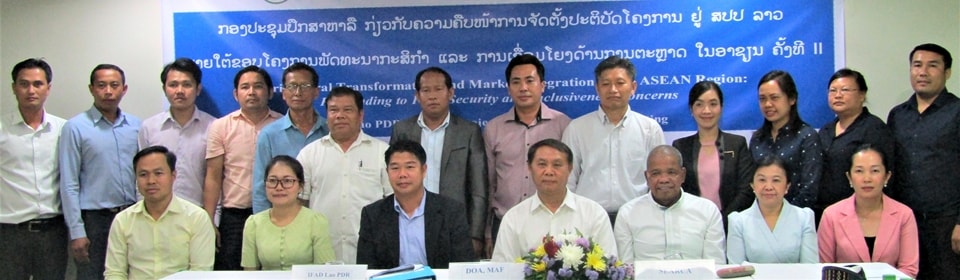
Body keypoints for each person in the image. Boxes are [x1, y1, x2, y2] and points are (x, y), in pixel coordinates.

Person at [389, 67, 487, 257]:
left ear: (450, 92)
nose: (432, 96)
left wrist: (475, 235)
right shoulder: (402, 130)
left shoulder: (469, 131)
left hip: (454, 224)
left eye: (438, 89)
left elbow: (478, 189)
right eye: (426, 90)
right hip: (409, 222)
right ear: (417, 95)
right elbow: (392, 179)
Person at [60, 64, 141, 280]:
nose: (108, 91)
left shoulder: (136, 126)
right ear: (91, 89)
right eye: (102, 85)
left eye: (114, 85)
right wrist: (77, 231)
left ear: (124, 89)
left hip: (131, 215)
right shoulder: (75, 127)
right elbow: (69, 183)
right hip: (95, 221)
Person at [562, 55, 665, 225]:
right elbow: (568, 180)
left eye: (620, 83)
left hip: (638, 218)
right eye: (606, 84)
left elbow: (658, 178)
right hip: (589, 219)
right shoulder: (577, 128)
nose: (613, 90)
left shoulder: (649, 129)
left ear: (633, 87)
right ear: (597, 88)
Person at [886, 43, 960, 279]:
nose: (923, 72)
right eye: (917, 65)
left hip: (947, 223)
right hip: (906, 221)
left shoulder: (957, 111)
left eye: (932, 66)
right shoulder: (898, 115)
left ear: (947, 72)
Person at [297, 86, 392, 264]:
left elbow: (392, 203)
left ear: (361, 115)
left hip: (371, 251)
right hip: (322, 253)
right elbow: (300, 203)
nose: (340, 115)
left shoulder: (383, 152)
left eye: (347, 110)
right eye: (333, 110)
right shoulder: (309, 154)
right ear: (327, 116)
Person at [485, 54, 571, 249]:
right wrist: (487, 232)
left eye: (529, 81)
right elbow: (488, 183)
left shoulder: (563, 125)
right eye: (516, 82)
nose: (523, 88)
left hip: (551, 222)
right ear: (509, 88)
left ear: (542, 86)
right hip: (504, 222)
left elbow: (570, 178)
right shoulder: (494, 128)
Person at [203, 66, 282, 270]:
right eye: (245, 87)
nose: (251, 92)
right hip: (235, 217)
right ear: (235, 94)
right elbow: (213, 176)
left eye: (258, 86)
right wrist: (209, 220)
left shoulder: (282, 125)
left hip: (276, 212)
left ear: (270, 92)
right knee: (232, 270)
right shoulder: (221, 126)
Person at [357, 140, 477, 269]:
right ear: (387, 172)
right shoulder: (372, 215)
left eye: (410, 167)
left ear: (424, 170)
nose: (402, 174)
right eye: (395, 168)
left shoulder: (451, 212)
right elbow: (367, 269)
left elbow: (463, 267)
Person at [491, 139, 616, 262]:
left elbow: (609, 266)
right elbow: (503, 271)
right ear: (529, 167)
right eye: (542, 164)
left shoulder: (594, 213)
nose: (549, 172)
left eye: (557, 165)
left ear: (570, 168)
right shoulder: (514, 218)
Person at [0, 58, 69, 280]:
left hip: (53, 232)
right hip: (9, 233)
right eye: (24, 84)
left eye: (38, 84)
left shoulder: (64, 129)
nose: (31, 90)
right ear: (14, 88)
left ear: (48, 88)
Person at [103, 146, 215, 279]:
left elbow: (200, 273)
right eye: (143, 175)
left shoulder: (196, 218)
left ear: (173, 176)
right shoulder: (123, 220)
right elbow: (115, 273)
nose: (151, 181)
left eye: (158, 173)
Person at [818, 144, 919, 278]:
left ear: (887, 176)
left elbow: (908, 269)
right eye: (859, 171)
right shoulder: (831, 215)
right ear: (849, 177)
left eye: (875, 171)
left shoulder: (904, 215)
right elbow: (825, 268)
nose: (867, 179)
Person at [614, 145, 725, 264]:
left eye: (671, 172)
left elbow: (716, 267)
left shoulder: (707, 211)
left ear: (683, 175)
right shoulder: (627, 214)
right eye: (656, 173)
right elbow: (624, 270)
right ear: (647, 177)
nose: (664, 179)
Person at [816, 68, 895, 224]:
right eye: (833, 91)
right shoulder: (826, 130)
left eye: (845, 90)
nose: (838, 95)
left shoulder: (874, 128)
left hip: (861, 214)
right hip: (825, 213)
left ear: (861, 95)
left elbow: (887, 174)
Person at [672, 81, 755, 225]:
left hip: (731, 225)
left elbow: (746, 190)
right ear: (691, 109)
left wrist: (722, 220)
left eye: (713, 104)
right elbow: (679, 191)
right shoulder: (680, 146)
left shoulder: (737, 144)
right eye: (699, 104)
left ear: (721, 108)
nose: (706, 111)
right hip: (692, 225)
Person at [252, 62, 328, 214]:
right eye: (292, 86)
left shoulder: (330, 131)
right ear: (284, 93)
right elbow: (261, 186)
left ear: (316, 92)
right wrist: (262, 224)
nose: (298, 93)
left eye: (305, 86)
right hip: (282, 220)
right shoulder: (269, 135)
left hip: (325, 218)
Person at [138, 58, 215, 206]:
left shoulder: (213, 127)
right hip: (157, 213)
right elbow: (142, 174)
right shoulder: (149, 127)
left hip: (198, 214)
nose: (180, 91)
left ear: (198, 89)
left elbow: (216, 177)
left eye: (187, 85)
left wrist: (212, 219)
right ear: (164, 89)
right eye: (173, 85)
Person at [242, 155, 334, 270]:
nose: (279, 187)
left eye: (287, 181)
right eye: (272, 181)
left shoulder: (316, 222)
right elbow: (249, 273)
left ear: (301, 186)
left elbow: (325, 272)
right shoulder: (253, 223)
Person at [749, 70, 822, 209]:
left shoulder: (807, 136)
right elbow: (752, 185)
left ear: (792, 99)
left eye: (774, 97)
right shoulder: (757, 139)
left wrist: (783, 218)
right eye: (762, 99)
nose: (768, 104)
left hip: (797, 220)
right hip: (761, 220)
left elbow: (810, 189)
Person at [726, 155, 818, 264]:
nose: (768, 187)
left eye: (776, 180)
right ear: (752, 185)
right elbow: (737, 271)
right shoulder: (738, 221)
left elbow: (810, 268)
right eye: (762, 180)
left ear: (787, 186)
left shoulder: (804, 217)